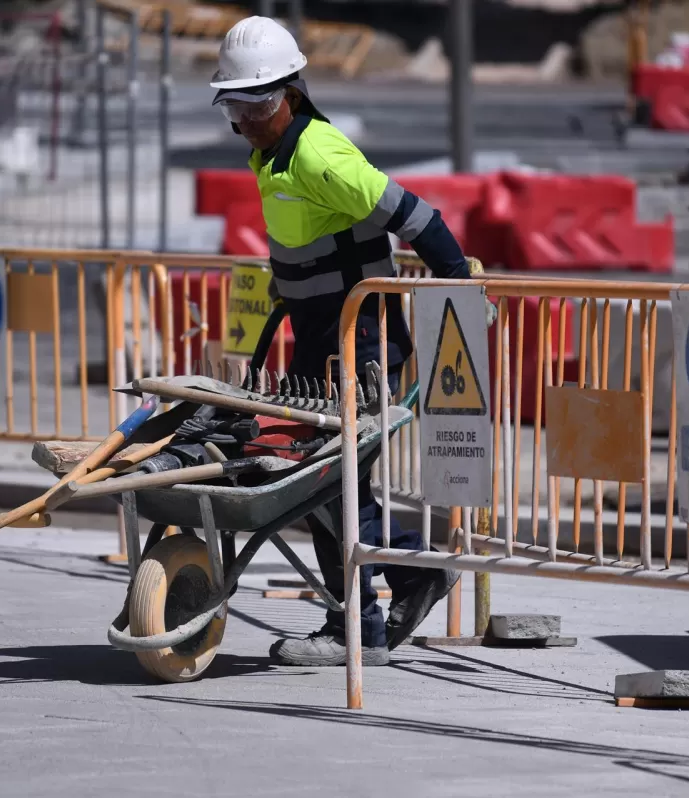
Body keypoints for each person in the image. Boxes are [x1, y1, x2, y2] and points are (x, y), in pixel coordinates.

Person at [210, 16, 468, 667]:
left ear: (292, 94)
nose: (247, 121)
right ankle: (395, 590)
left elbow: (420, 220)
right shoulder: (274, 153)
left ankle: (368, 617)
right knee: (327, 483)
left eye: (257, 106)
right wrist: (289, 286)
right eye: (236, 109)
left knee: (326, 483)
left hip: (361, 344)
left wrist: (461, 295)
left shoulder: (320, 155)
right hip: (319, 341)